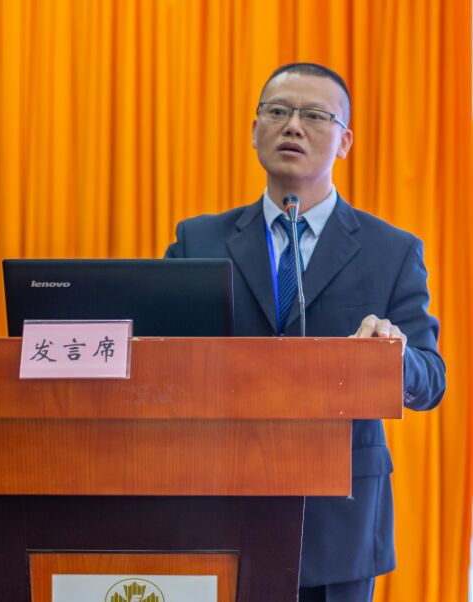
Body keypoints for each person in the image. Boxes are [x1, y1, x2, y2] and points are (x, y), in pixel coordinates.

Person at [165, 63, 446, 602]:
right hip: (220, 501)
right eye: (278, 111)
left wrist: (393, 353)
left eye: (315, 116)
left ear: (345, 142)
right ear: (255, 131)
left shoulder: (391, 250)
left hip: (339, 517)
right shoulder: (199, 241)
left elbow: (430, 380)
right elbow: (159, 353)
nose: (293, 126)